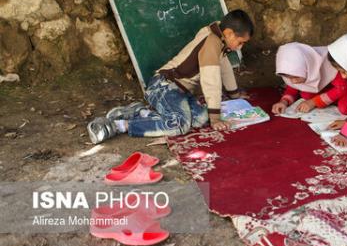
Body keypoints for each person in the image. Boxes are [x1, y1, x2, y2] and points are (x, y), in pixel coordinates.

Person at [87, 9, 254, 144]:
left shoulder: (219, 40)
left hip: (180, 91)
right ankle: (119, 125)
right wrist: (216, 117)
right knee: (180, 125)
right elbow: (212, 80)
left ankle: (140, 112)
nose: (240, 47)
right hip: (164, 86)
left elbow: (224, 67)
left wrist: (234, 94)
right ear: (229, 33)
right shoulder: (212, 42)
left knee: (202, 118)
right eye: (241, 42)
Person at [271, 42, 347, 115]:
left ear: (308, 67)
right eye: (288, 78)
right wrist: (284, 102)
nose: (293, 81)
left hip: (345, 88)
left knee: (345, 107)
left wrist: (313, 102)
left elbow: (343, 88)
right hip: (328, 93)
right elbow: (293, 88)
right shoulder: (298, 70)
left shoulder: (328, 64)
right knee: (307, 94)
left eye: (296, 77)